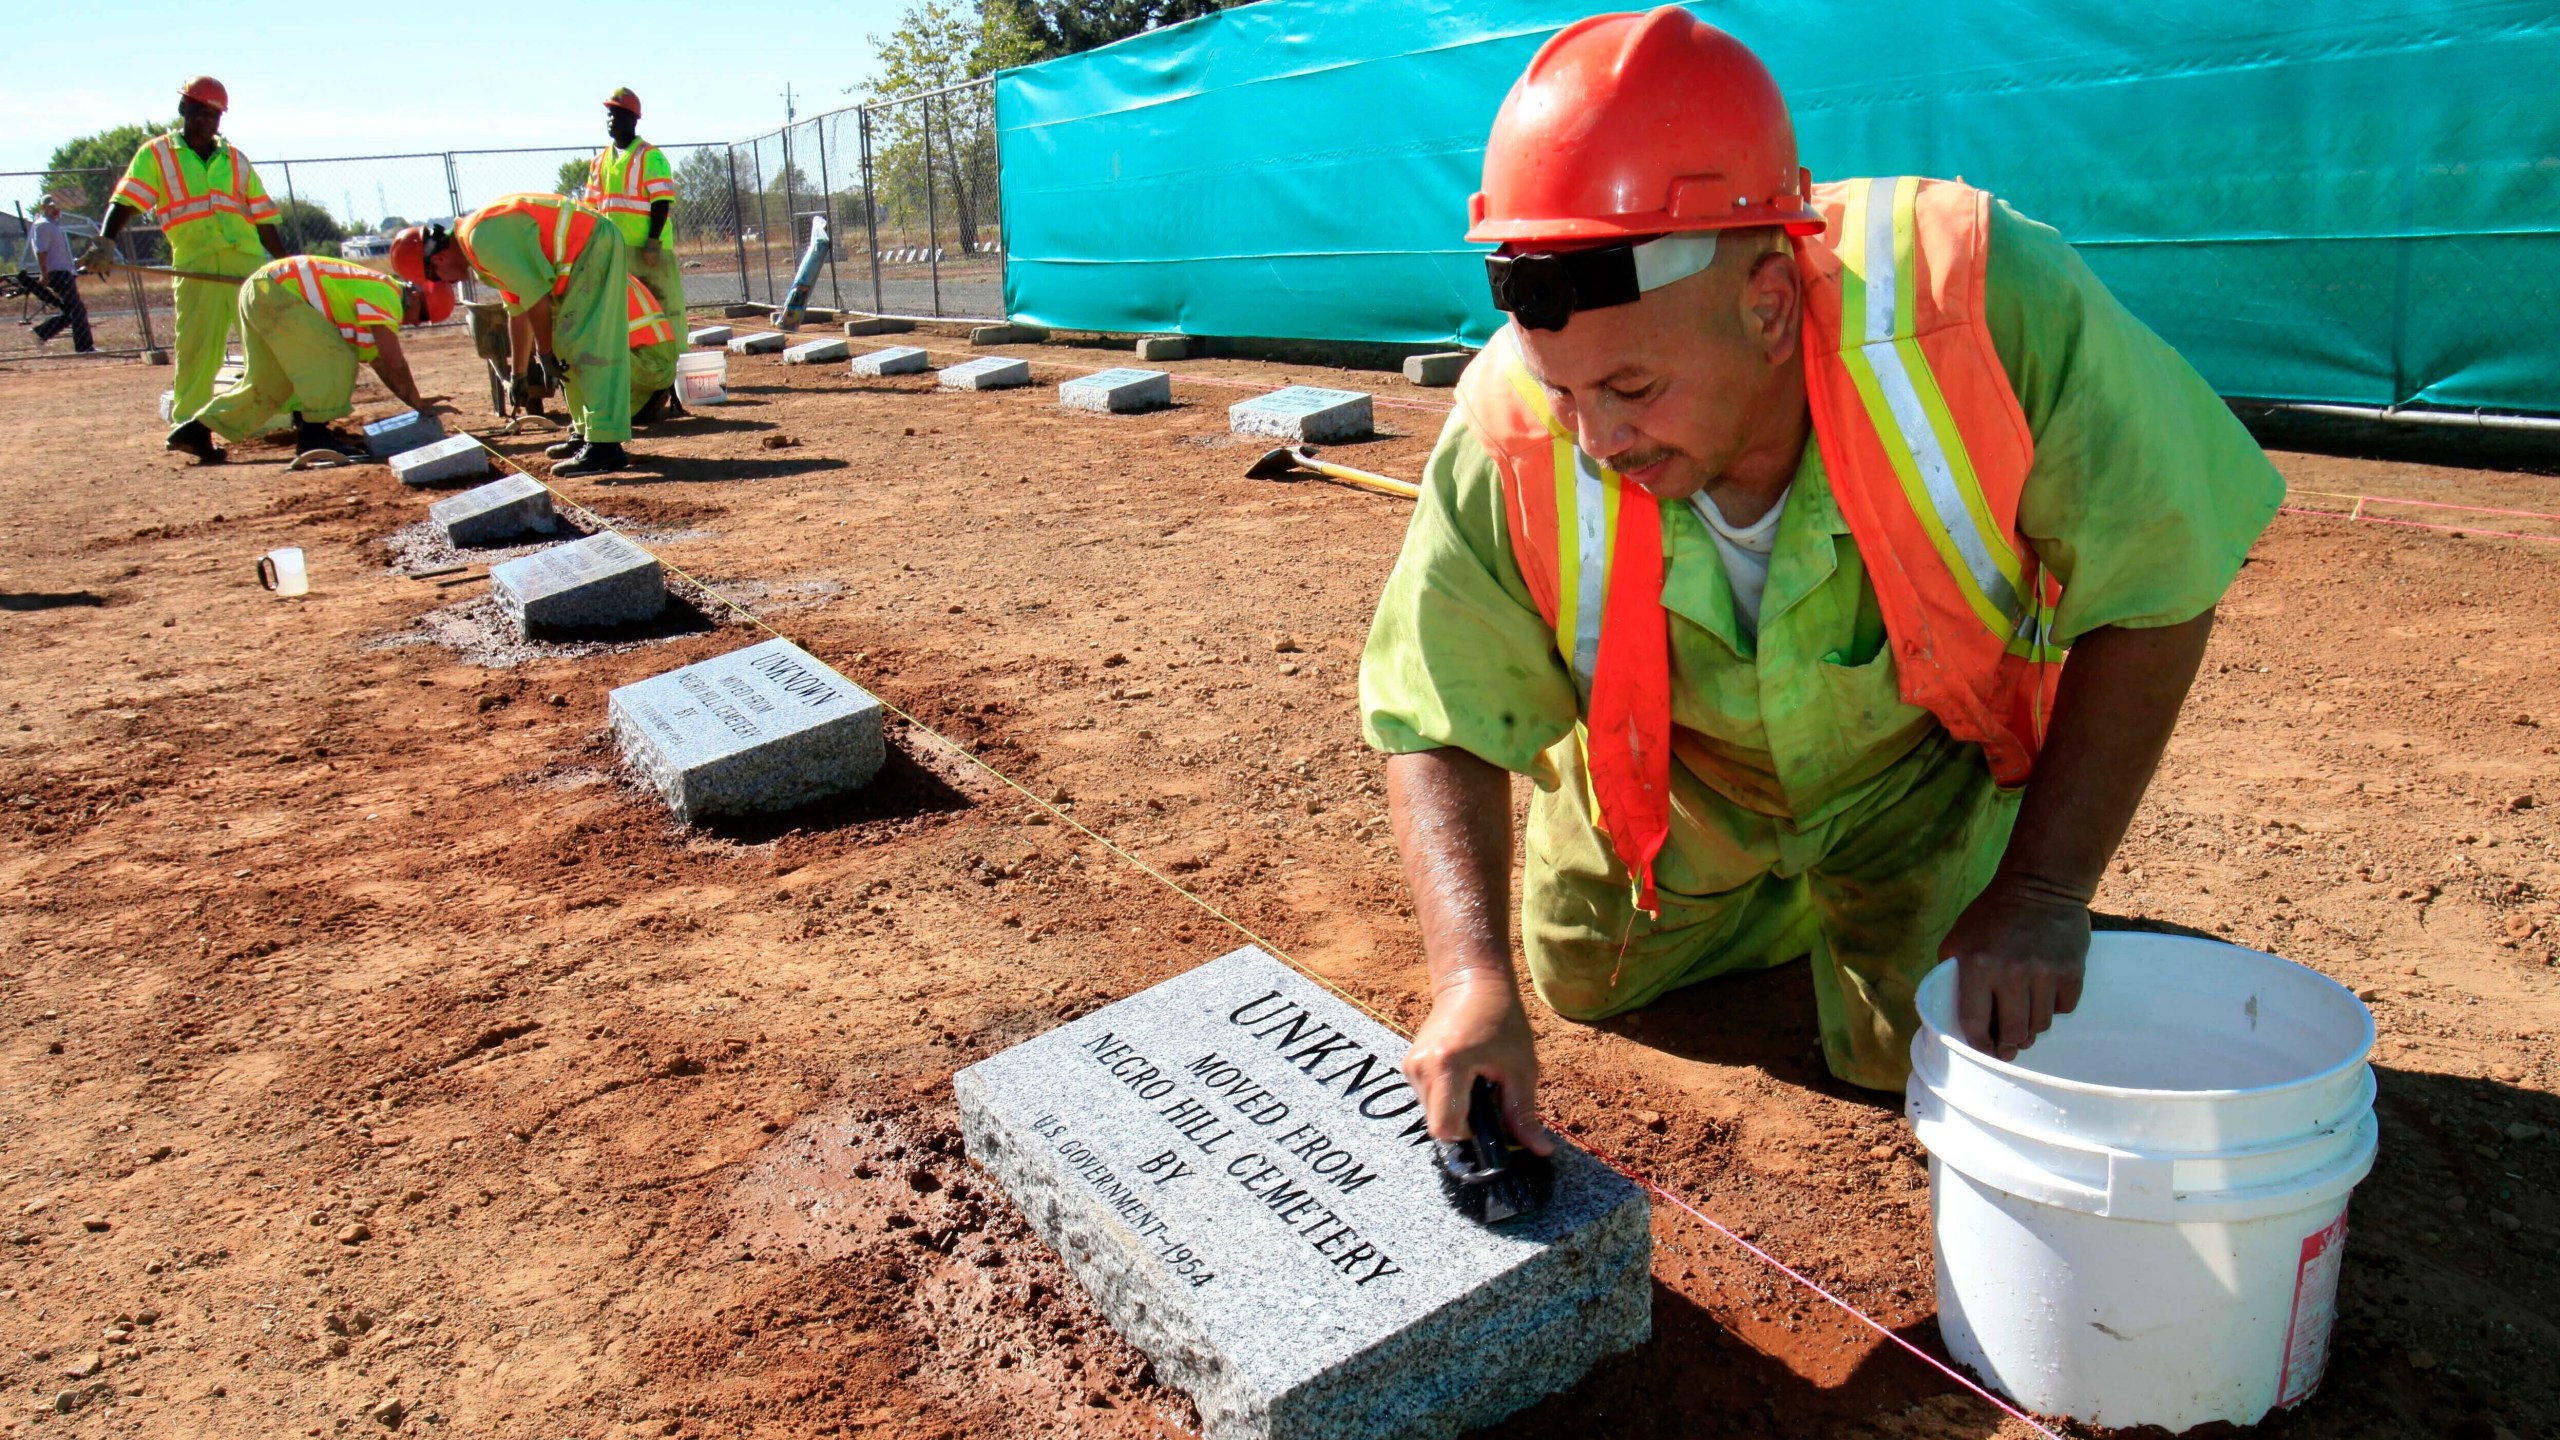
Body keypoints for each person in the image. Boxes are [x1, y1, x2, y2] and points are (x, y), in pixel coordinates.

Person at [1361, 8, 2286, 1152]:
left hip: (1920, 770)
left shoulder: (1978, 304)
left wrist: (2042, 895)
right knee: (1579, 984)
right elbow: (1433, 703)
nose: (1595, 440)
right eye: (1565, 392)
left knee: (1943, 1053)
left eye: (1635, 388)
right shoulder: (1509, 419)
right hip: (1684, 787)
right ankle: (1764, 893)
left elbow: (2156, 580)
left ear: (1766, 304)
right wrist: (1466, 979)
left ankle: (1934, 881)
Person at [83, 76, 291, 427]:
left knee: (270, 344)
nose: (206, 121)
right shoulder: (157, 154)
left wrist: (285, 263)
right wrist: (106, 241)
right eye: (199, 111)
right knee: (197, 350)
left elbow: (263, 217)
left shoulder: (236, 159)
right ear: (184, 109)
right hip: (197, 264)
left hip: (247, 266)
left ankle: (288, 419)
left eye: (214, 115)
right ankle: (189, 428)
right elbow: (127, 200)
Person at [391, 193, 634, 476]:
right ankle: (586, 433)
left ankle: (605, 446)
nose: (443, 283)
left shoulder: (481, 239)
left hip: (592, 244)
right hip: (585, 248)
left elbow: (536, 297)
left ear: (440, 257)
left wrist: (544, 354)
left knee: (580, 343)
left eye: (433, 278)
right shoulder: (478, 247)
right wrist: (518, 374)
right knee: (564, 346)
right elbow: (518, 310)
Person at [164, 254, 452, 463]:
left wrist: (418, 405)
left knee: (269, 384)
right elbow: (394, 361)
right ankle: (314, 436)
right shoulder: (386, 294)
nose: (416, 324)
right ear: (414, 295)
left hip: (263, 291)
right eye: (423, 316)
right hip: (277, 292)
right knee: (338, 359)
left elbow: (382, 366)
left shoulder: (375, 306)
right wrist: (420, 401)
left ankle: (196, 431)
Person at [584, 86, 686, 422]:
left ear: (633, 119)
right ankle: (641, 386)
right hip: (614, 253)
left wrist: (653, 242)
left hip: (647, 251)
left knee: (662, 315)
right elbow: (591, 207)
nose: (611, 121)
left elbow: (661, 202)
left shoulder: (650, 156)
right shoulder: (599, 161)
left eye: (617, 115)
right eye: (609, 115)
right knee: (627, 321)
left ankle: (669, 386)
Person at [27, 194, 94, 352]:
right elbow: (41, 251)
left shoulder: (54, 226)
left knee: (71, 310)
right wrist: (44, 274)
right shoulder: (43, 225)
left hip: (64, 272)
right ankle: (84, 347)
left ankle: (41, 333)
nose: (54, 209)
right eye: (50, 206)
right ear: (43, 208)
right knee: (77, 309)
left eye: (56, 206)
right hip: (56, 273)